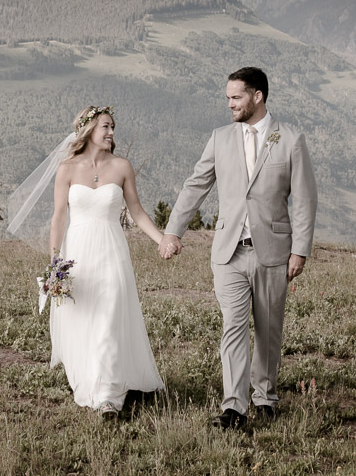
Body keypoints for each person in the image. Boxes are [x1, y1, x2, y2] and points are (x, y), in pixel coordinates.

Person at [159, 67, 317, 430]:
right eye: (228, 97)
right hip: (228, 252)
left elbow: (305, 200)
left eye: (236, 97)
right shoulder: (219, 138)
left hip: (274, 251)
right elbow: (195, 185)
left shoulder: (290, 139)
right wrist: (173, 231)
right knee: (233, 325)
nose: (229, 104)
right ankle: (234, 407)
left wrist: (300, 250)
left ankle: (265, 397)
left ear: (257, 96)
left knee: (268, 329)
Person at [45, 105, 165, 419]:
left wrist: (162, 238)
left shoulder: (122, 166)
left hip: (112, 250)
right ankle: (90, 379)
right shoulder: (67, 168)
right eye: (106, 127)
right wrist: (56, 263)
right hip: (78, 254)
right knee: (85, 316)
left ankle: (108, 396)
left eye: (113, 127)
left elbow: (137, 212)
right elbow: (58, 218)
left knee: (110, 315)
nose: (111, 133)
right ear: (88, 131)